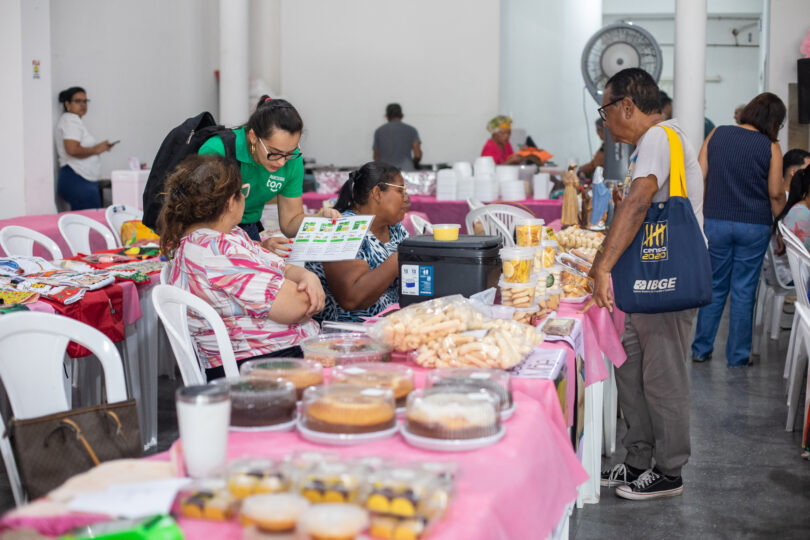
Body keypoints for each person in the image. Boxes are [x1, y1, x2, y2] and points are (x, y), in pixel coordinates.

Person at [590, 68, 704, 500]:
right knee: (632, 371)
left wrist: (603, 267)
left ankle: (670, 470)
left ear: (627, 105)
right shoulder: (649, 144)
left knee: (663, 378)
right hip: (646, 280)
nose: (604, 121)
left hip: (666, 280)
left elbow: (640, 202)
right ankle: (638, 459)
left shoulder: (659, 136)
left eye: (605, 110)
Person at [158, 154, 323, 380]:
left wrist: (307, 276)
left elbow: (281, 266)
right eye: (242, 192)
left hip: (271, 354)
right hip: (258, 367)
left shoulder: (226, 236)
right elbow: (300, 305)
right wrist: (308, 284)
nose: (244, 197)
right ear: (230, 202)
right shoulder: (218, 253)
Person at [691, 92, 786, 367]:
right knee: (744, 291)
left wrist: (701, 216)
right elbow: (776, 194)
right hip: (754, 226)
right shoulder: (771, 147)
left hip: (716, 222)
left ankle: (700, 349)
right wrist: (781, 229)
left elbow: (698, 176)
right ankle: (738, 356)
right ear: (774, 121)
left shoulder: (717, 134)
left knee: (714, 286)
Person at [198, 95, 340, 255]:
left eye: (289, 153)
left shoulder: (293, 161)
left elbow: (290, 223)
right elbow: (201, 222)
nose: (281, 162)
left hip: (248, 228)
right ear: (253, 137)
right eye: (274, 153)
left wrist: (319, 218)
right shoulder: (218, 150)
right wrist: (258, 246)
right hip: (210, 229)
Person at [306, 162, 409, 322]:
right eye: (401, 190)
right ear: (377, 193)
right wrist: (399, 258)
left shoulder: (395, 228)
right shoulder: (341, 229)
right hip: (346, 331)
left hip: (392, 323)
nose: (406, 198)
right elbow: (351, 299)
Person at [55, 87, 116, 210]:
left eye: (85, 101)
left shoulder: (74, 121)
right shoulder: (70, 121)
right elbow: (72, 150)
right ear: (67, 104)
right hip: (77, 178)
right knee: (89, 219)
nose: (83, 105)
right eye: (78, 101)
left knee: (87, 218)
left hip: (81, 180)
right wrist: (97, 149)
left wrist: (99, 147)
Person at [372, 104, 422, 171]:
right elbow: (417, 154)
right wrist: (414, 164)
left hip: (386, 171)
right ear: (402, 115)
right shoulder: (411, 130)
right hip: (406, 169)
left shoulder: (379, 131)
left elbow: (376, 157)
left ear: (386, 116)